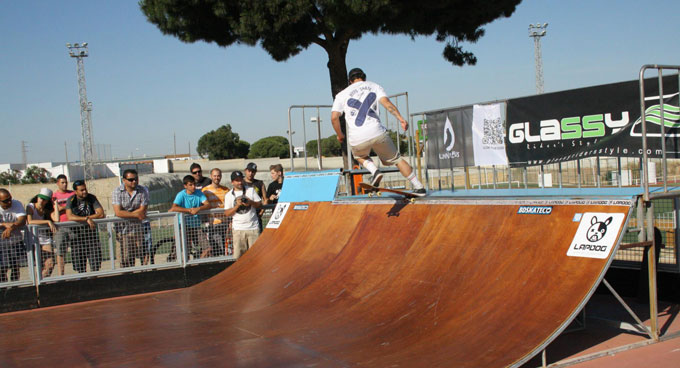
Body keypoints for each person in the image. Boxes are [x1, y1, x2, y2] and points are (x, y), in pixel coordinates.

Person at [331, 67, 426, 195]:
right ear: (364, 77)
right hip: (377, 132)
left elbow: (334, 118)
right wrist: (401, 119)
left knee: (359, 156)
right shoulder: (374, 86)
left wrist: (340, 135)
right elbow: (387, 104)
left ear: (350, 81)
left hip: (358, 137)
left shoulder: (341, 95)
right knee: (396, 159)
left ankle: (374, 171)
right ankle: (419, 186)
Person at [112, 169, 150, 267]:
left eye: (136, 179)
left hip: (138, 229)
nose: (134, 181)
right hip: (122, 230)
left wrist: (127, 214)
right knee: (125, 259)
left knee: (143, 255)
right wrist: (135, 215)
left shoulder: (143, 190)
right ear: (124, 180)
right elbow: (118, 212)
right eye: (131, 179)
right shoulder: (117, 191)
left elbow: (143, 209)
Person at [66, 180, 105, 273]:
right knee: (80, 267)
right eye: (81, 190)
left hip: (91, 237)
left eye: (85, 189)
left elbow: (101, 214)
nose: (85, 192)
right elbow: (70, 216)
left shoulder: (92, 198)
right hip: (77, 238)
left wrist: (87, 217)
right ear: (75, 191)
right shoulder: (71, 200)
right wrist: (86, 219)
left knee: (95, 265)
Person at [169, 175, 211, 260]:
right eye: (191, 185)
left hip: (196, 225)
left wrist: (198, 208)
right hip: (184, 226)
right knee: (185, 250)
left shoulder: (199, 193)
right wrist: (188, 210)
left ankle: (198, 263)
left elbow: (208, 204)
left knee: (208, 248)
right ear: (185, 186)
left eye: (194, 184)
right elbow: (173, 208)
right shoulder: (181, 194)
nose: (193, 187)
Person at [224, 171, 261, 259]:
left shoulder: (250, 190)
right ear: (232, 182)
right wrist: (237, 205)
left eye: (241, 179)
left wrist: (250, 202)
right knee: (238, 257)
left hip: (253, 228)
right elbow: (227, 213)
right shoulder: (229, 195)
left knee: (256, 256)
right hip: (238, 230)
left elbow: (259, 204)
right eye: (237, 180)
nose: (240, 182)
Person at [25, 188, 59, 278]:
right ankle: (37, 284)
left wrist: (55, 206)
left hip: (45, 239)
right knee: (38, 264)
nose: (41, 200)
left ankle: (41, 282)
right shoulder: (31, 206)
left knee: (50, 264)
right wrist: (47, 221)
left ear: (47, 201)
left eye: (44, 199)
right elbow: (30, 221)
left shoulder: (47, 210)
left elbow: (57, 219)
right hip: (33, 239)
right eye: (40, 198)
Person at [202, 168, 230, 257]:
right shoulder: (205, 191)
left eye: (218, 176)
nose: (216, 178)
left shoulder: (226, 190)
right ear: (211, 176)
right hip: (213, 224)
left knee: (227, 247)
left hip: (226, 222)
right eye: (215, 176)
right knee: (217, 248)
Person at [0, 188, 26, 282]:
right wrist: (3, 224)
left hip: (15, 241)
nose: (9, 202)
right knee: (2, 267)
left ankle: (15, 287)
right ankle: (3, 288)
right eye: (5, 201)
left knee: (15, 266)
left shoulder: (16, 203)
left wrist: (12, 227)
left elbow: (22, 219)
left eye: (10, 198)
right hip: (2, 243)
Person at [52, 174, 75, 275]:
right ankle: (61, 274)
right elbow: (55, 210)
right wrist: (66, 207)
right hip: (60, 226)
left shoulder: (73, 194)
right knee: (61, 252)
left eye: (66, 182)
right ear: (57, 183)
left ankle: (80, 272)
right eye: (62, 182)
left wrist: (62, 207)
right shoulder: (54, 196)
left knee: (77, 249)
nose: (65, 184)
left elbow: (75, 207)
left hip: (73, 225)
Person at [244, 162, 267, 231]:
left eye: (253, 172)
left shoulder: (260, 183)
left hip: (256, 216)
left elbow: (265, 199)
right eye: (249, 171)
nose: (251, 173)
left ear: (255, 172)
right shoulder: (241, 183)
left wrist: (261, 212)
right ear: (245, 170)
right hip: (244, 216)